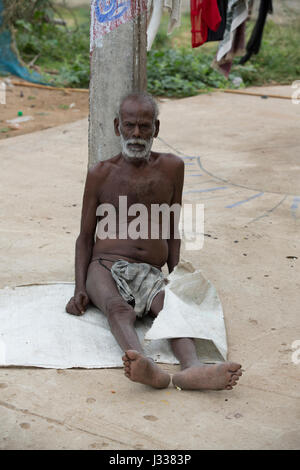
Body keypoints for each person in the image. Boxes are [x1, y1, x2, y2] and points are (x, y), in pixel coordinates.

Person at [65, 92, 242, 391]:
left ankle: (193, 368)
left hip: (149, 270)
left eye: (144, 126)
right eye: (129, 125)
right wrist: (80, 288)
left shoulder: (172, 168)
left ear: (156, 129)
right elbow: (85, 237)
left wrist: (176, 277)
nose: (136, 134)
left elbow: (172, 230)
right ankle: (141, 360)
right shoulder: (100, 173)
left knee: (171, 309)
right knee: (118, 309)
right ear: (116, 126)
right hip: (105, 266)